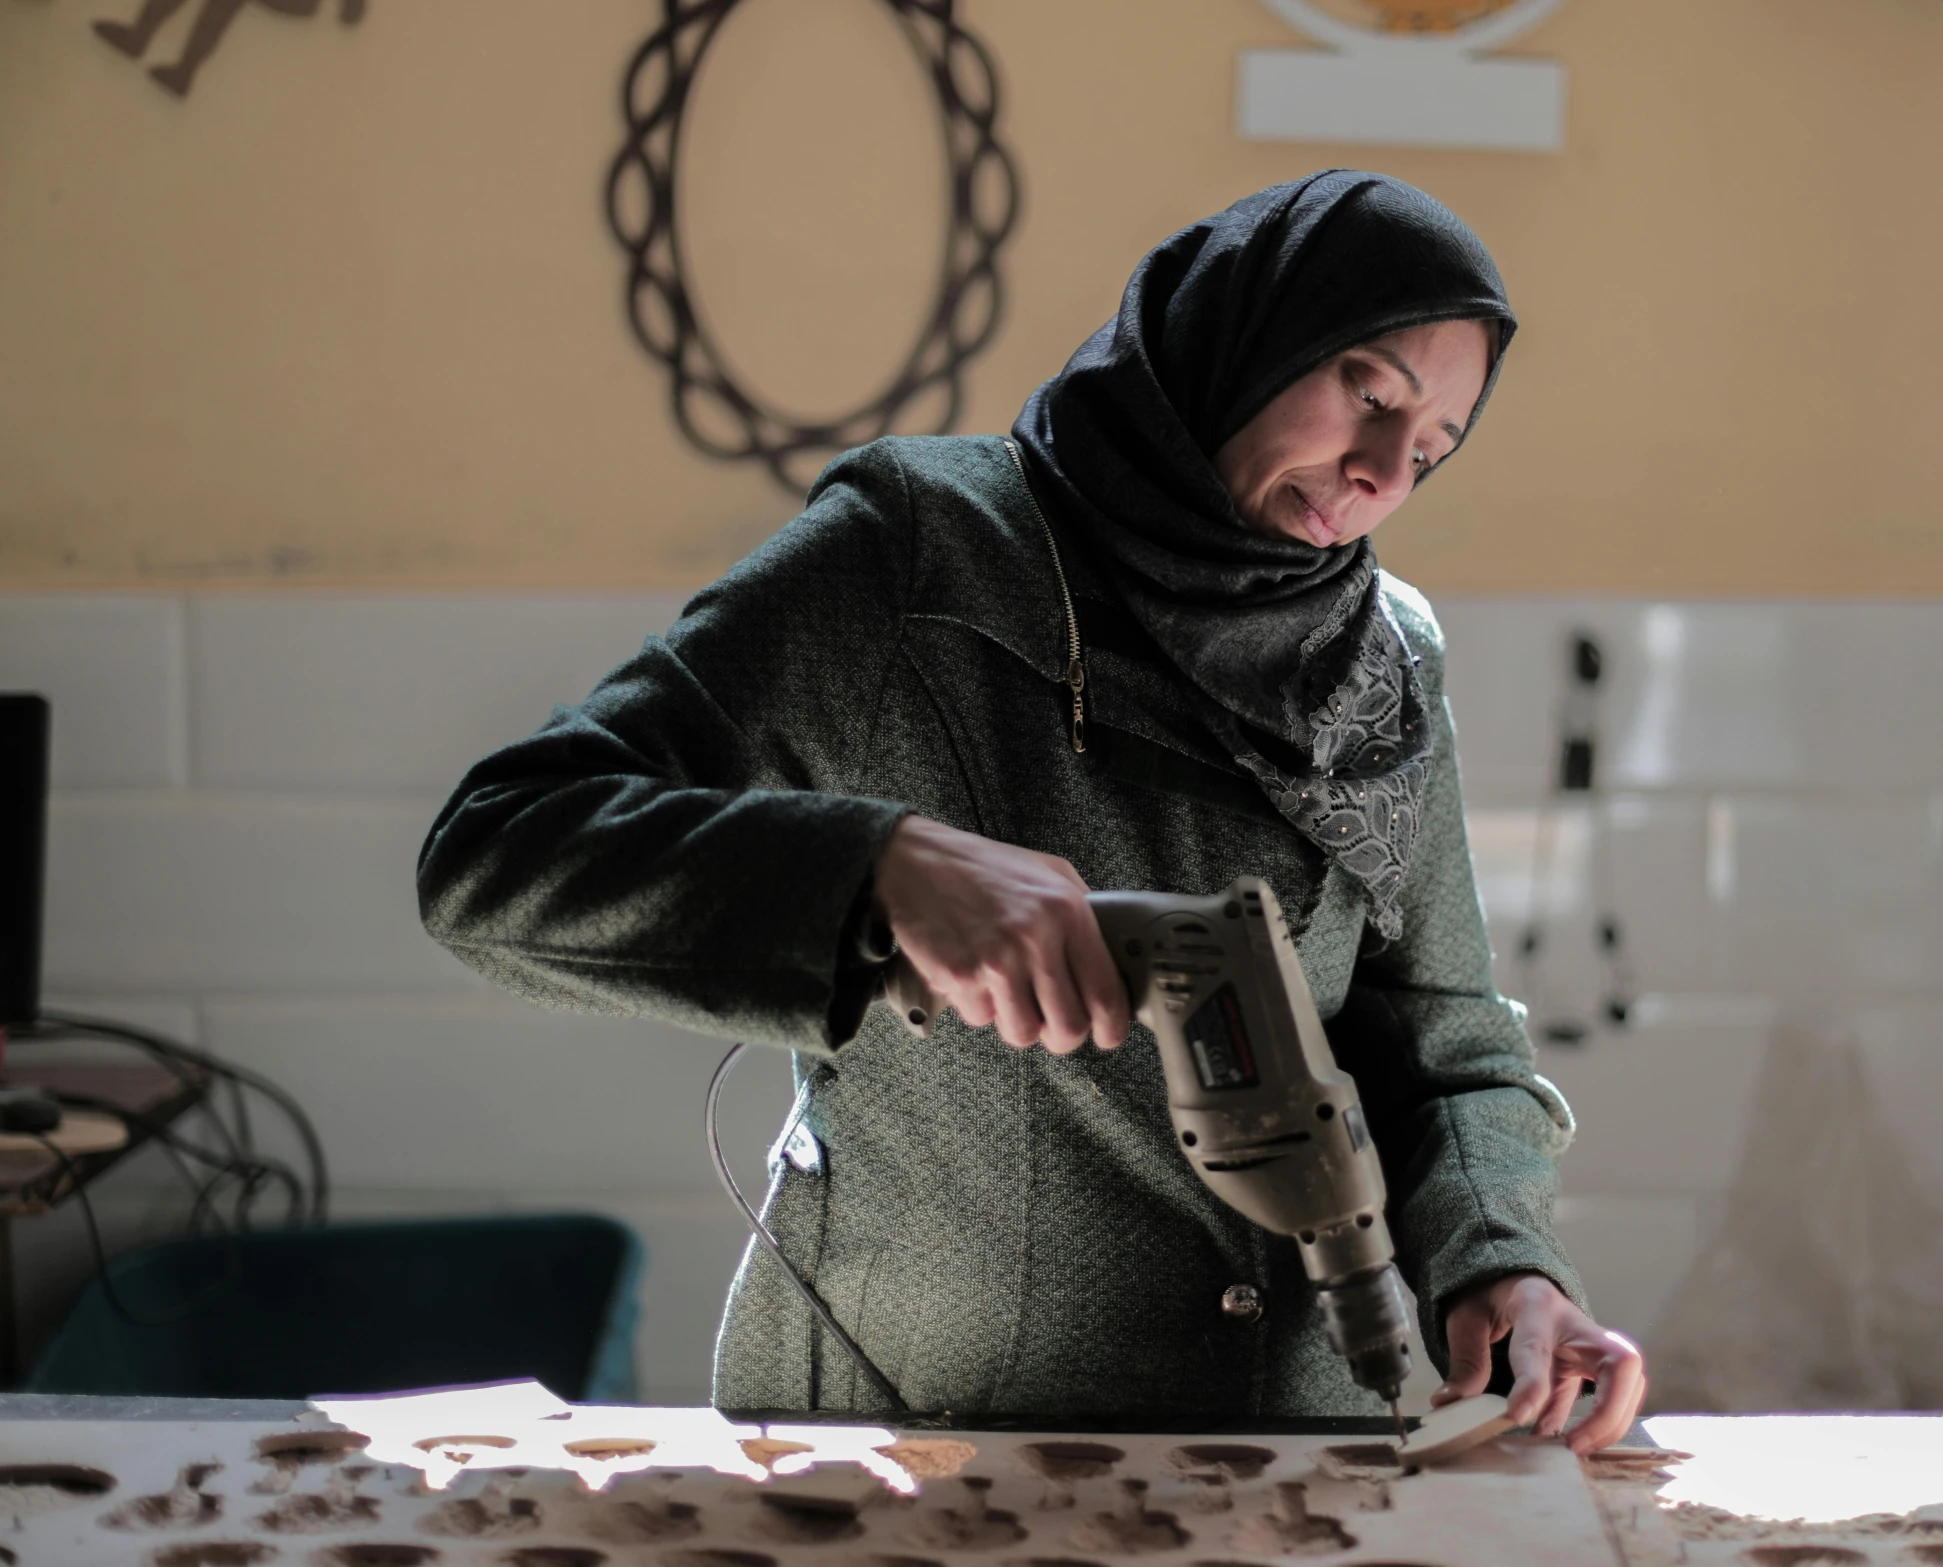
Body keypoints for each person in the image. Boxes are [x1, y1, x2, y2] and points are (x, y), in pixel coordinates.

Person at [418, 171, 1645, 1449]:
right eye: (1369, 394)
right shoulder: (925, 551)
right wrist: (879, 871)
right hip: (913, 1452)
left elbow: (1442, 1039)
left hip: (1276, 1450)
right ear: (1237, 337)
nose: (1386, 471)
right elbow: (494, 858)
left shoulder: (1380, 658)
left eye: (1434, 447)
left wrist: (1508, 1265)